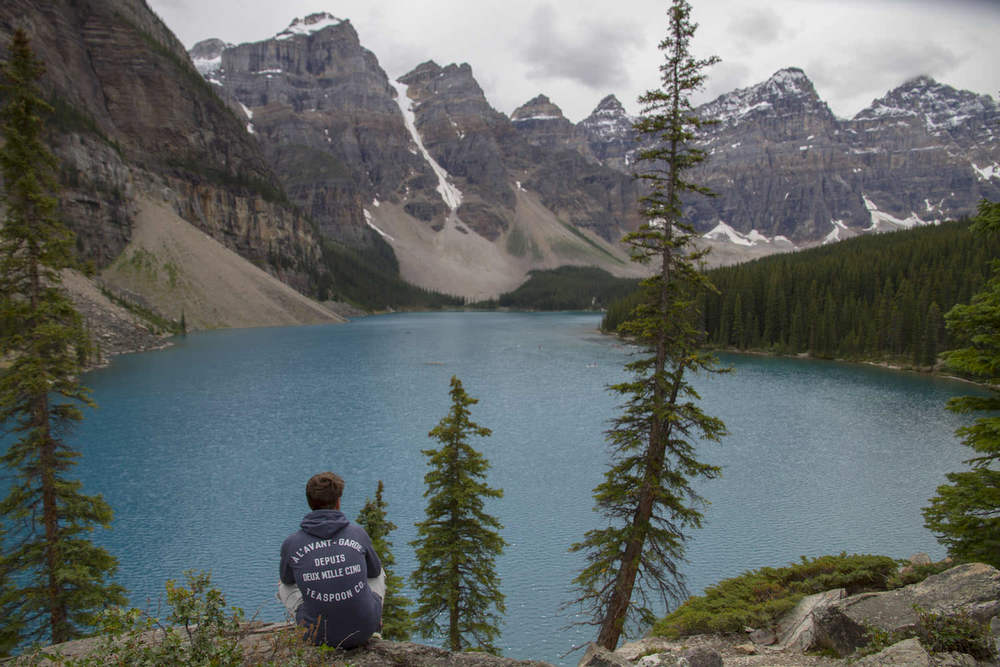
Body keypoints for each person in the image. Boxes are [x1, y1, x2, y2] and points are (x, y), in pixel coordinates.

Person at [278, 472, 385, 648]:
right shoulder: (357, 534)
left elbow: (286, 580)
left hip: (317, 635)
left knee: (283, 585)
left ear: (309, 502)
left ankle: (312, 618)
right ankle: (374, 625)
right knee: (379, 572)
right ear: (338, 502)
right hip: (363, 630)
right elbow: (374, 572)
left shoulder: (292, 543)